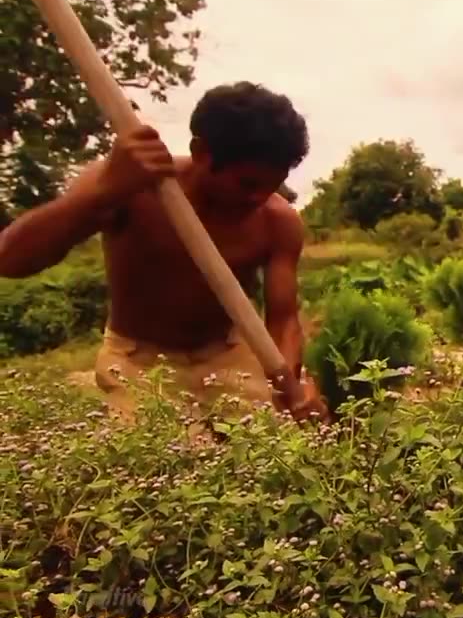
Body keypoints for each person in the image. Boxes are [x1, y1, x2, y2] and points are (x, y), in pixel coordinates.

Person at [0, 81, 326, 425]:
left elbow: (284, 316)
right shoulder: (130, 187)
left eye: (272, 185)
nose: (258, 197)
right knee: (163, 464)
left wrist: (289, 379)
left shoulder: (277, 221)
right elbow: (10, 258)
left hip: (229, 352)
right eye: (246, 184)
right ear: (201, 152)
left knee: (277, 446)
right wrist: (103, 195)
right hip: (138, 360)